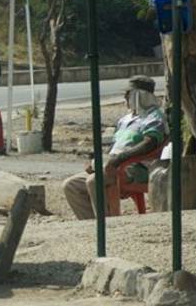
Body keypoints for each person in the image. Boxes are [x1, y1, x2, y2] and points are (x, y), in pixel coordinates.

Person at [62, 75, 166, 219]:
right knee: (71, 185)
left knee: (94, 181)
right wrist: (96, 162)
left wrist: (118, 160)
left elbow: (150, 143)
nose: (125, 97)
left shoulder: (154, 117)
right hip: (112, 165)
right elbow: (113, 147)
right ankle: (92, 225)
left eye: (128, 94)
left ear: (139, 95)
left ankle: (107, 226)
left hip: (134, 168)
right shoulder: (125, 120)